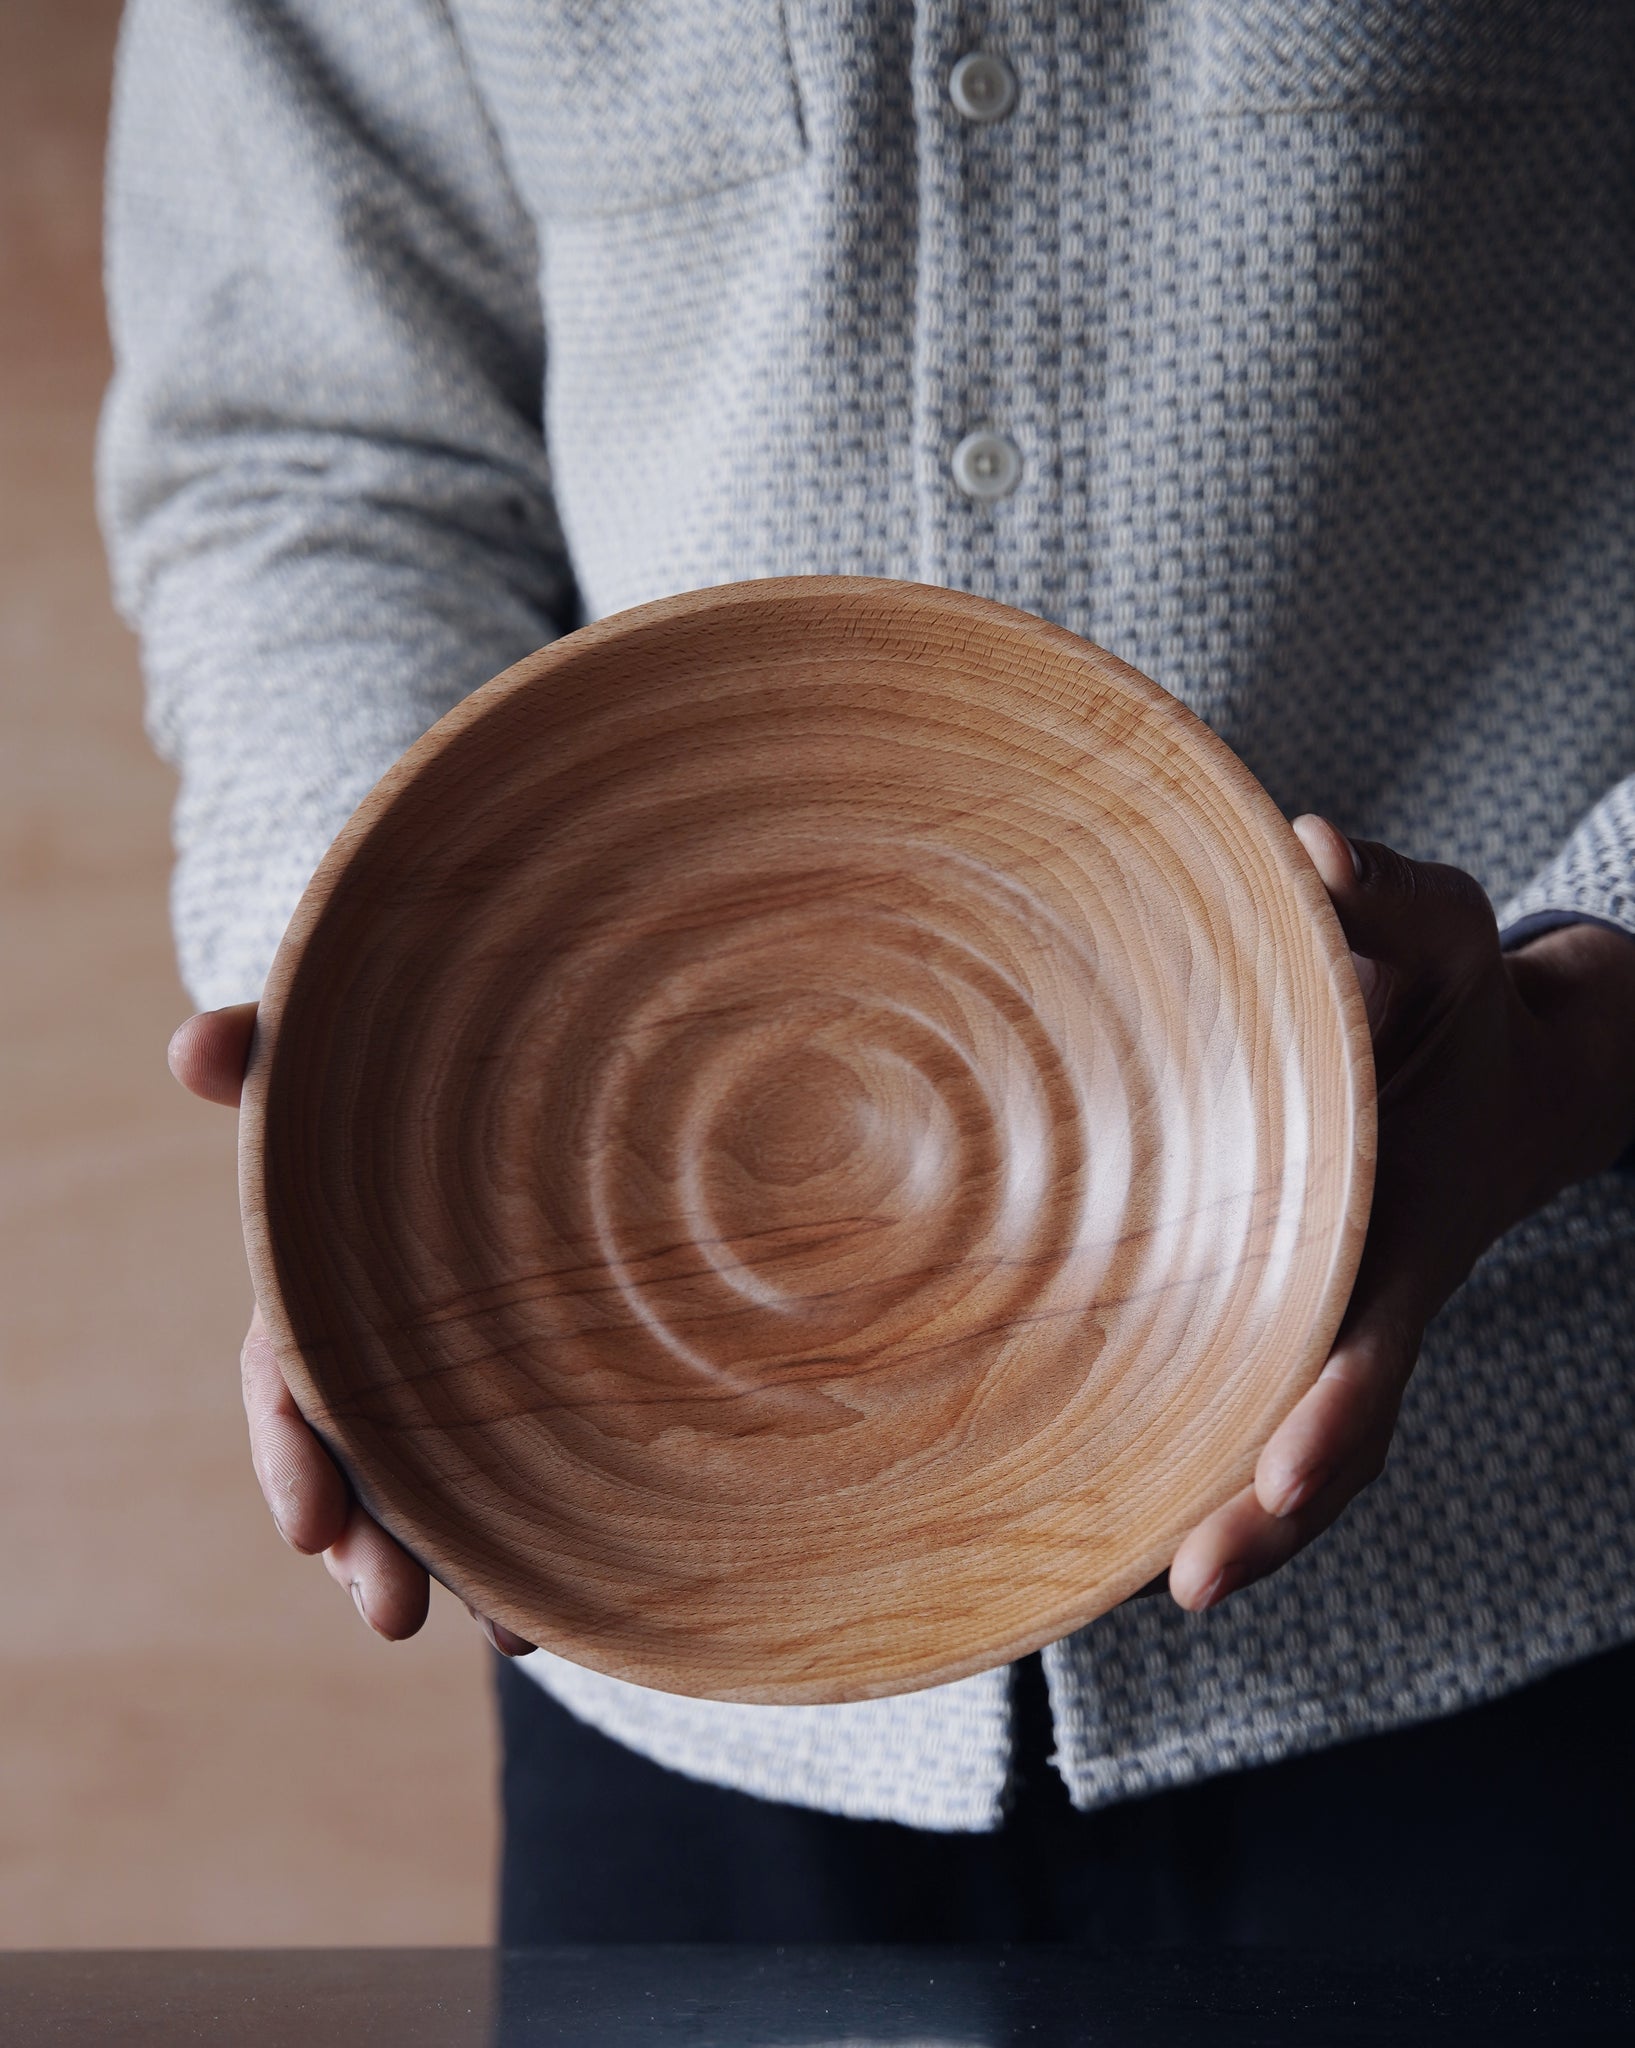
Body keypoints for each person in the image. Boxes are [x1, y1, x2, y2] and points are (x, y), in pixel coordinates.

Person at [101, 0, 1635, 1945]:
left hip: (1532, 1545)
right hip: (650, 1561)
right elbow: (311, 453)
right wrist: (366, 1041)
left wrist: (1590, 1009)